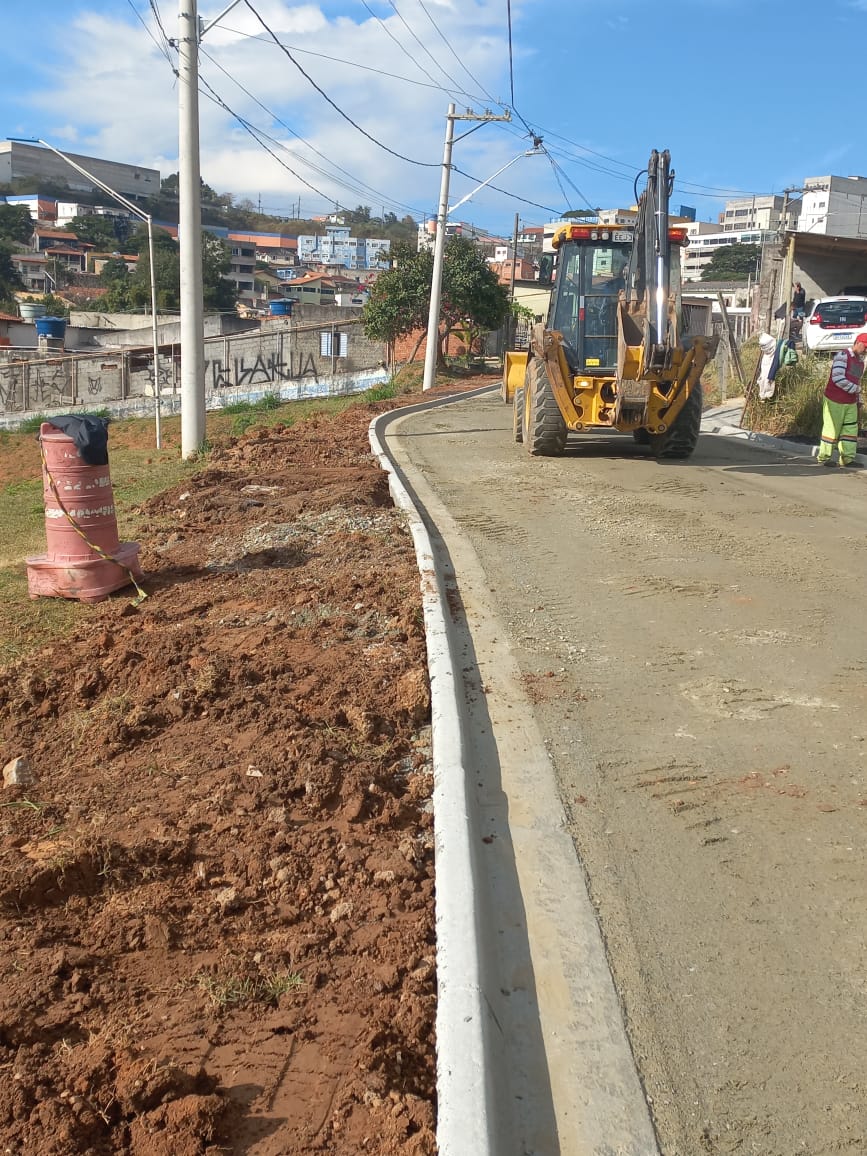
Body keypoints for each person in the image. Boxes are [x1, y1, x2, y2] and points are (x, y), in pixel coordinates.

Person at [816, 333, 866, 466]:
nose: (865, 350)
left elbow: (856, 381)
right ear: (857, 343)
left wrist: (858, 399)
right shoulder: (842, 356)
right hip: (834, 400)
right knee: (832, 429)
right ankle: (824, 458)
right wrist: (856, 390)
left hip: (850, 401)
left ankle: (847, 459)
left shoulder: (860, 362)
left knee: (850, 431)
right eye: (864, 346)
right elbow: (838, 378)